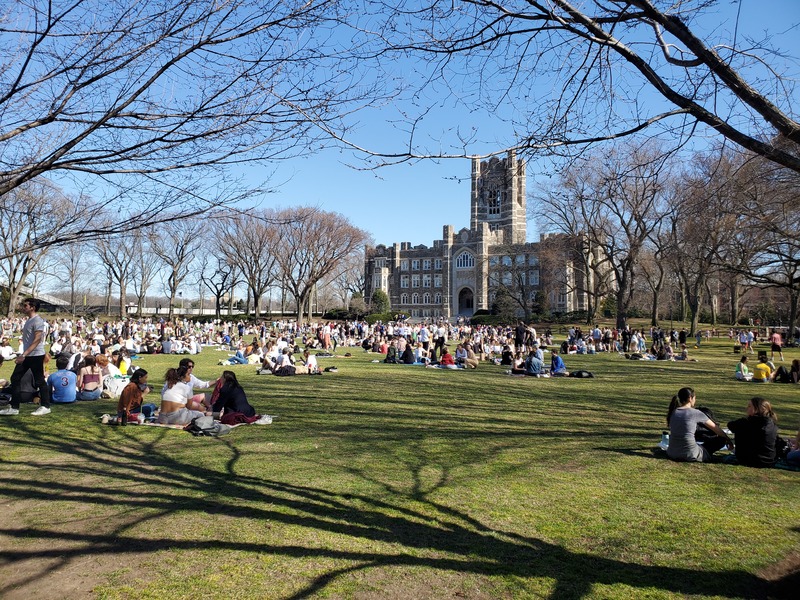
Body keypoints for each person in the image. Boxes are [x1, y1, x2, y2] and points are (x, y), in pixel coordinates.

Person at [0, 299, 51, 416]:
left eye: (25, 305)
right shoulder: (29, 320)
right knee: (15, 378)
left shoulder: (38, 321)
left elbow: (37, 340)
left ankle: (45, 406)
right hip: (28, 355)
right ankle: (14, 407)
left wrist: (23, 355)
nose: (23, 307)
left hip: (36, 355)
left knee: (39, 381)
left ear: (32, 307)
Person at [666, 387, 732, 462]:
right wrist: (729, 440)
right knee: (721, 439)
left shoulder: (673, 412)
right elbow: (717, 430)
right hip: (691, 454)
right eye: (695, 398)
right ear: (690, 398)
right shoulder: (695, 413)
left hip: (672, 452)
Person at [727, 397, 780, 468]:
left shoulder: (745, 423)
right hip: (769, 460)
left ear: (757, 409)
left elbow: (730, 425)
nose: (747, 408)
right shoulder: (771, 424)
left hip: (748, 460)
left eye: (749, 406)